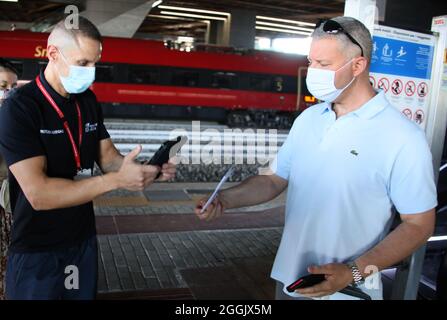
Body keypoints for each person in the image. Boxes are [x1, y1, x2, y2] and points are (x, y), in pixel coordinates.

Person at [195, 16, 437, 300]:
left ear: (358, 66)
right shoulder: (309, 119)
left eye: (323, 65)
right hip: (290, 280)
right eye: (311, 62)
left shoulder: (403, 137)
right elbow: (274, 180)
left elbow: (419, 226)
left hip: (349, 291)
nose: (313, 72)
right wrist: (224, 199)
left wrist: (354, 271)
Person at [0, 16, 176, 300]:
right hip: (36, 250)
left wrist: (142, 170)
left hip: (81, 243)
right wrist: (116, 181)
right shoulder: (19, 108)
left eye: (95, 63)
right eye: (83, 63)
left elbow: (108, 159)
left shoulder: (88, 102)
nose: (91, 72)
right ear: (53, 54)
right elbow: (39, 194)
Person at [0, 58, 18, 300]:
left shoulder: (11, 119)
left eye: (12, 88)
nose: (8, 93)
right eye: (3, 86)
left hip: (9, 209)